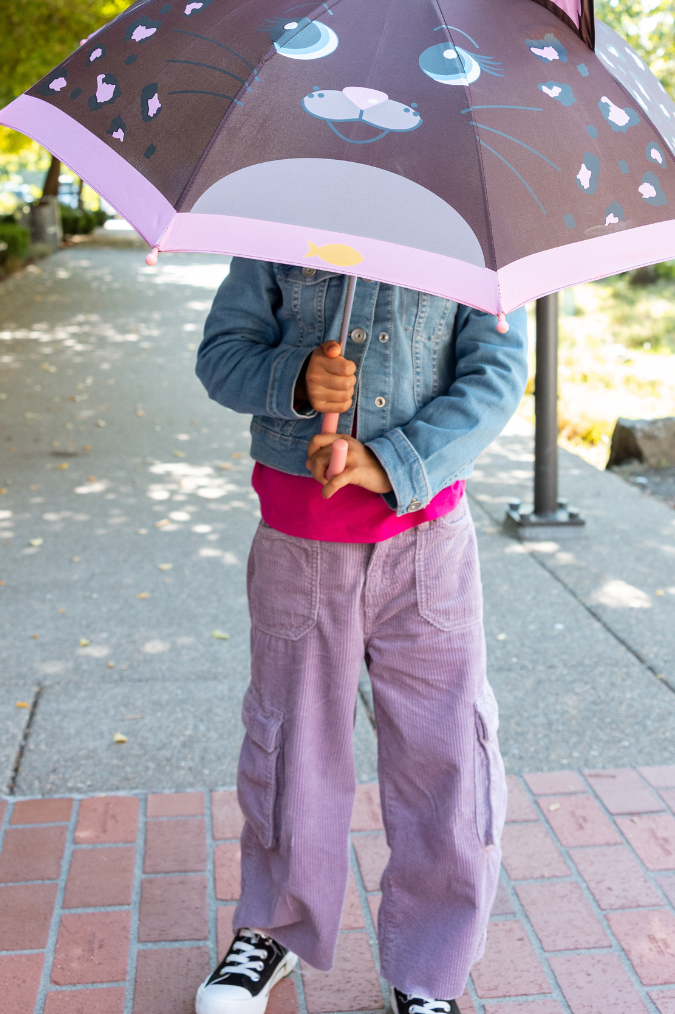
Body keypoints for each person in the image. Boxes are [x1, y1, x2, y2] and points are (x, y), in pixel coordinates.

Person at [193, 258, 528, 1014]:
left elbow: (498, 370)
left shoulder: (471, 241)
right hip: (300, 540)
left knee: (446, 754)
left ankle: (429, 969)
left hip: (427, 546)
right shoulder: (284, 226)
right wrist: (297, 377)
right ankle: (274, 924)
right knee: (292, 745)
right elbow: (220, 356)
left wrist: (392, 462)